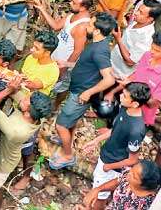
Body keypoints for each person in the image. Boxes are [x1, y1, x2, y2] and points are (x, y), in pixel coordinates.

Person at [50, 13, 116, 169]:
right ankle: (65, 140)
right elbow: (87, 67)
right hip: (78, 89)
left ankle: (67, 156)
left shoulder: (100, 51)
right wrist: (67, 63)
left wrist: (88, 93)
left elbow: (109, 79)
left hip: (81, 93)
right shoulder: (95, 42)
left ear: (98, 31)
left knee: (60, 125)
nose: (87, 26)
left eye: (91, 25)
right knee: (69, 120)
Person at [82, 82, 150, 210]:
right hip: (107, 156)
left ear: (135, 103)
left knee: (100, 196)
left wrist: (109, 166)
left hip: (112, 163)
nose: (120, 97)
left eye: (124, 96)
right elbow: (115, 129)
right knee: (100, 189)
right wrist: (96, 140)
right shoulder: (125, 108)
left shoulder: (136, 130)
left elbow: (133, 160)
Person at [0, 90, 52, 210]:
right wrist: (13, 86)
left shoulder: (16, 131)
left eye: (26, 99)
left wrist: (8, 90)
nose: (23, 98)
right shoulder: (35, 115)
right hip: (6, 153)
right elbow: (15, 93)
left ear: (28, 110)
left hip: (3, 162)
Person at [104, 30, 161, 126]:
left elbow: (152, 103)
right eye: (152, 47)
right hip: (126, 104)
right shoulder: (147, 56)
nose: (152, 51)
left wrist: (132, 89)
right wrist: (112, 92)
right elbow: (134, 77)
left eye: (157, 50)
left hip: (138, 118)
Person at [34, 0, 92, 107]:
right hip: (56, 57)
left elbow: (77, 51)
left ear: (83, 7)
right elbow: (56, 26)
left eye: (74, 3)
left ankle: (55, 105)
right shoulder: (72, 14)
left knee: (61, 86)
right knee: (48, 82)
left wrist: (64, 68)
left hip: (64, 63)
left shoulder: (82, 26)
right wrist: (42, 9)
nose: (70, 3)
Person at [79, 160, 161, 210]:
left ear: (144, 185)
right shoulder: (128, 176)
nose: (128, 173)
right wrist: (97, 189)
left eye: (134, 176)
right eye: (132, 169)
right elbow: (118, 181)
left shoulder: (148, 205)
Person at [110, 0, 161, 79]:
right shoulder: (137, 22)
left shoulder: (146, 38)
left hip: (118, 74)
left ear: (150, 19)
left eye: (141, 12)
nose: (136, 13)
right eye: (138, 10)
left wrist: (119, 40)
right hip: (111, 62)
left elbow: (130, 61)